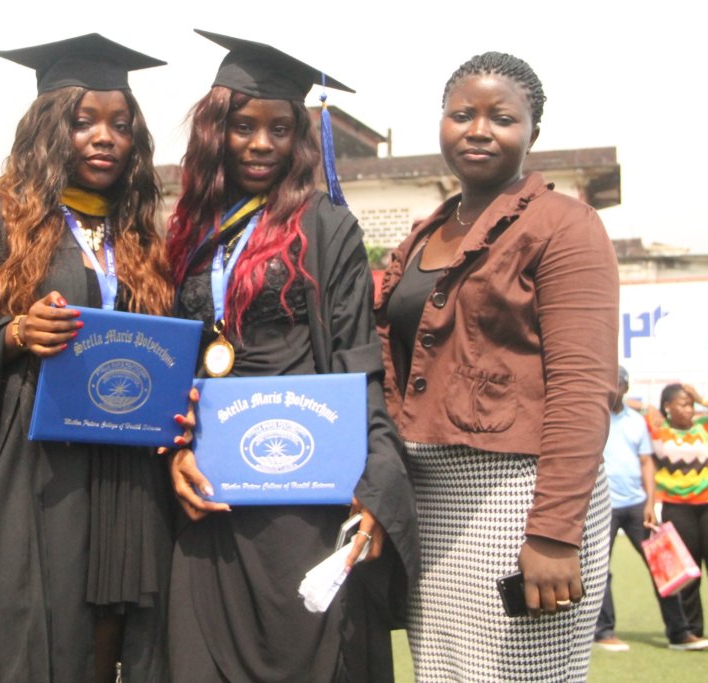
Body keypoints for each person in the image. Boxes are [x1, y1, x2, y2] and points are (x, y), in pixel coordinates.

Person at [165, 30, 417, 683]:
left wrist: (375, 479)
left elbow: (358, 362)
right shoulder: (191, 233)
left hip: (307, 491)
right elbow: (174, 365)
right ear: (215, 129)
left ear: (301, 138)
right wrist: (173, 453)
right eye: (244, 126)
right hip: (212, 495)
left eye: (281, 128)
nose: (261, 143)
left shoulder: (326, 227)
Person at [0, 34, 176, 683]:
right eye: (84, 120)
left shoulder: (139, 234)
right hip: (29, 475)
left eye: (121, 125)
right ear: (45, 125)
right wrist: (10, 335)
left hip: (126, 478)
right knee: (31, 638)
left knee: (112, 639)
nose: (104, 137)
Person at [374, 52, 619, 681]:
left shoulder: (566, 226)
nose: (478, 129)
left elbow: (582, 387)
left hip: (523, 497)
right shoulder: (424, 234)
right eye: (462, 114)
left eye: (502, 118)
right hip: (432, 492)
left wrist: (556, 532)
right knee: (444, 671)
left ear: (532, 132)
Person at [594, 368, 706, 651]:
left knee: (663, 567)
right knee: (600, 572)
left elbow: (646, 462)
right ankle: (604, 631)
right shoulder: (595, 416)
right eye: (611, 384)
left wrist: (648, 501)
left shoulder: (638, 422)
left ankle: (679, 634)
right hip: (602, 506)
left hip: (636, 506)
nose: (615, 389)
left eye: (619, 384)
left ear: (626, 387)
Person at [649, 383, 708, 647]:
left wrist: (701, 400)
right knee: (689, 571)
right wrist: (651, 409)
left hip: (706, 504)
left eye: (690, 403)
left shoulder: (703, 426)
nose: (689, 408)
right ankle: (692, 631)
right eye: (683, 404)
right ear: (668, 407)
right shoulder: (657, 431)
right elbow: (626, 405)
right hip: (676, 507)